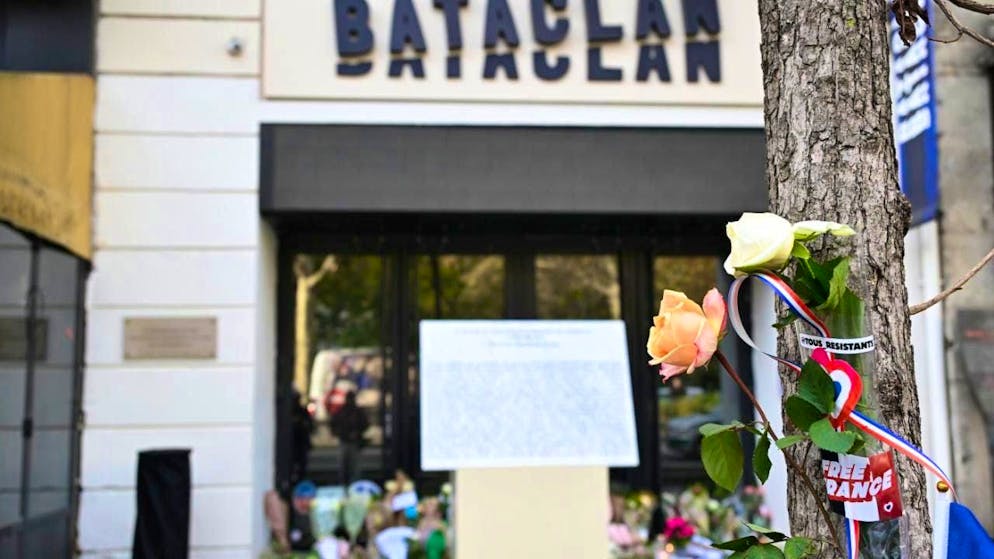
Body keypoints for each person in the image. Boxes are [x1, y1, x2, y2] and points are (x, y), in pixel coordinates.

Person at [330, 391, 369, 484]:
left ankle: (353, 485)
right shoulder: (342, 411)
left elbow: (365, 424)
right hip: (344, 441)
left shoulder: (357, 411)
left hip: (354, 442)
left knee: (354, 468)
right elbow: (333, 424)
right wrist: (342, 433)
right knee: (343, 466)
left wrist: (357, 432)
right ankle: (343, 484)